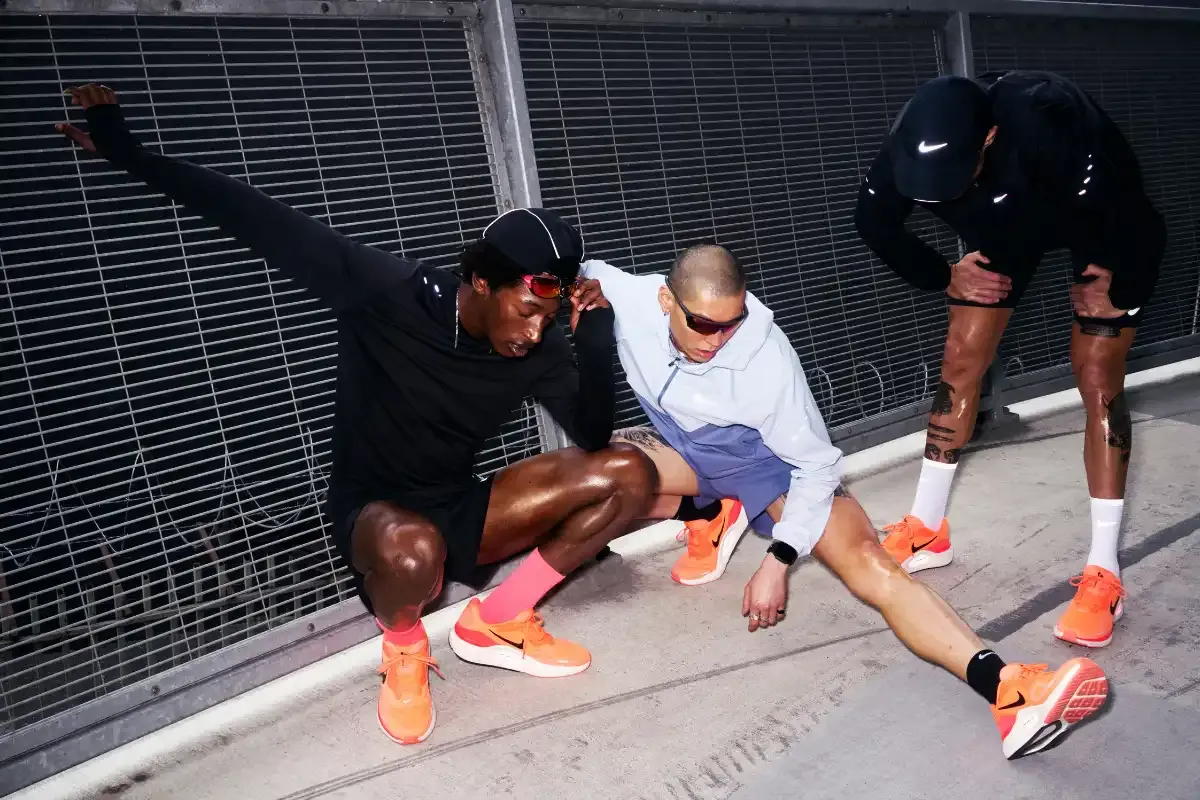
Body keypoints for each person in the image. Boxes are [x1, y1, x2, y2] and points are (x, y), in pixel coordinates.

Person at [57, 84, 657, 746]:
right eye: (527, 311)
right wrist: (126, 152)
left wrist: (594, 341)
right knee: (414, 554)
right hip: (376, 516)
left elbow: (595, 437)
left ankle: (498, 619)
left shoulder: (536, 347)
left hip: (459, 505)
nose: (537, 333)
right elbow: (253, 216)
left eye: (549, 318)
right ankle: (403, 649)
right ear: (481, 283)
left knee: (630, 473)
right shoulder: (389, 294)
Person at [584, 245, 1109, 760]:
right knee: (585, 481)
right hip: (685, 446)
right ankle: (707, 514)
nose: (719, 340)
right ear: (664, 302)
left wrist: (779, 559)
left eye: (732, 323)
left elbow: (814, 466)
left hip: (764, 463)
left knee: (871, 567)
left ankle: (1007, 689)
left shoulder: (765, 361)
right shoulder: (625, 295)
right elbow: (556, 259)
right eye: (704, 325)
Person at [854, 70, 1165, 649]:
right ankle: (927, 527)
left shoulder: (1070, 147)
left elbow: (1144, 225)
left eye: (951, 182)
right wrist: (944, 273)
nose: (937, 198)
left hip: (1091, 220)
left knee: (1097, 372)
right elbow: (873, 222)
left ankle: (1104, 572)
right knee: (960, 356)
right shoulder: (907, 153)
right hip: (1005, 227)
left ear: (990, 139)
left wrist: (1124, 289)